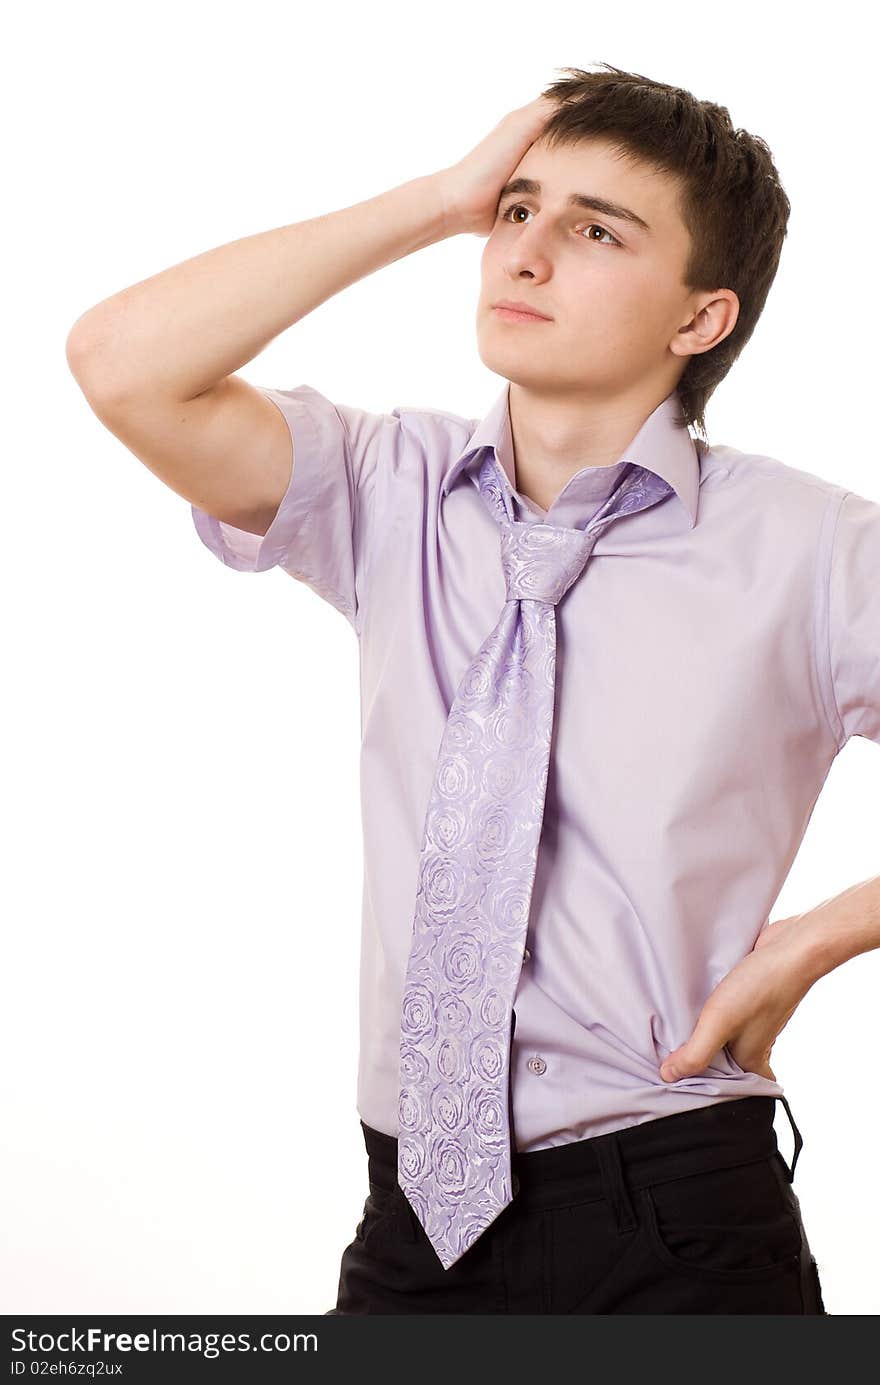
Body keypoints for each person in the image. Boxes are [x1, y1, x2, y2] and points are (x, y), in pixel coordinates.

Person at [66, 61, 880, 1314]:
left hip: (675, 1210)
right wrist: (439, 199)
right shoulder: (389, 487)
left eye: (594, 230)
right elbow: (123, 363)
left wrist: (815, 942)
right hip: (410, 1225)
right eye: (517, 212)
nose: (525, 255)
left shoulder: (813, 550)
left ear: (699, 319)